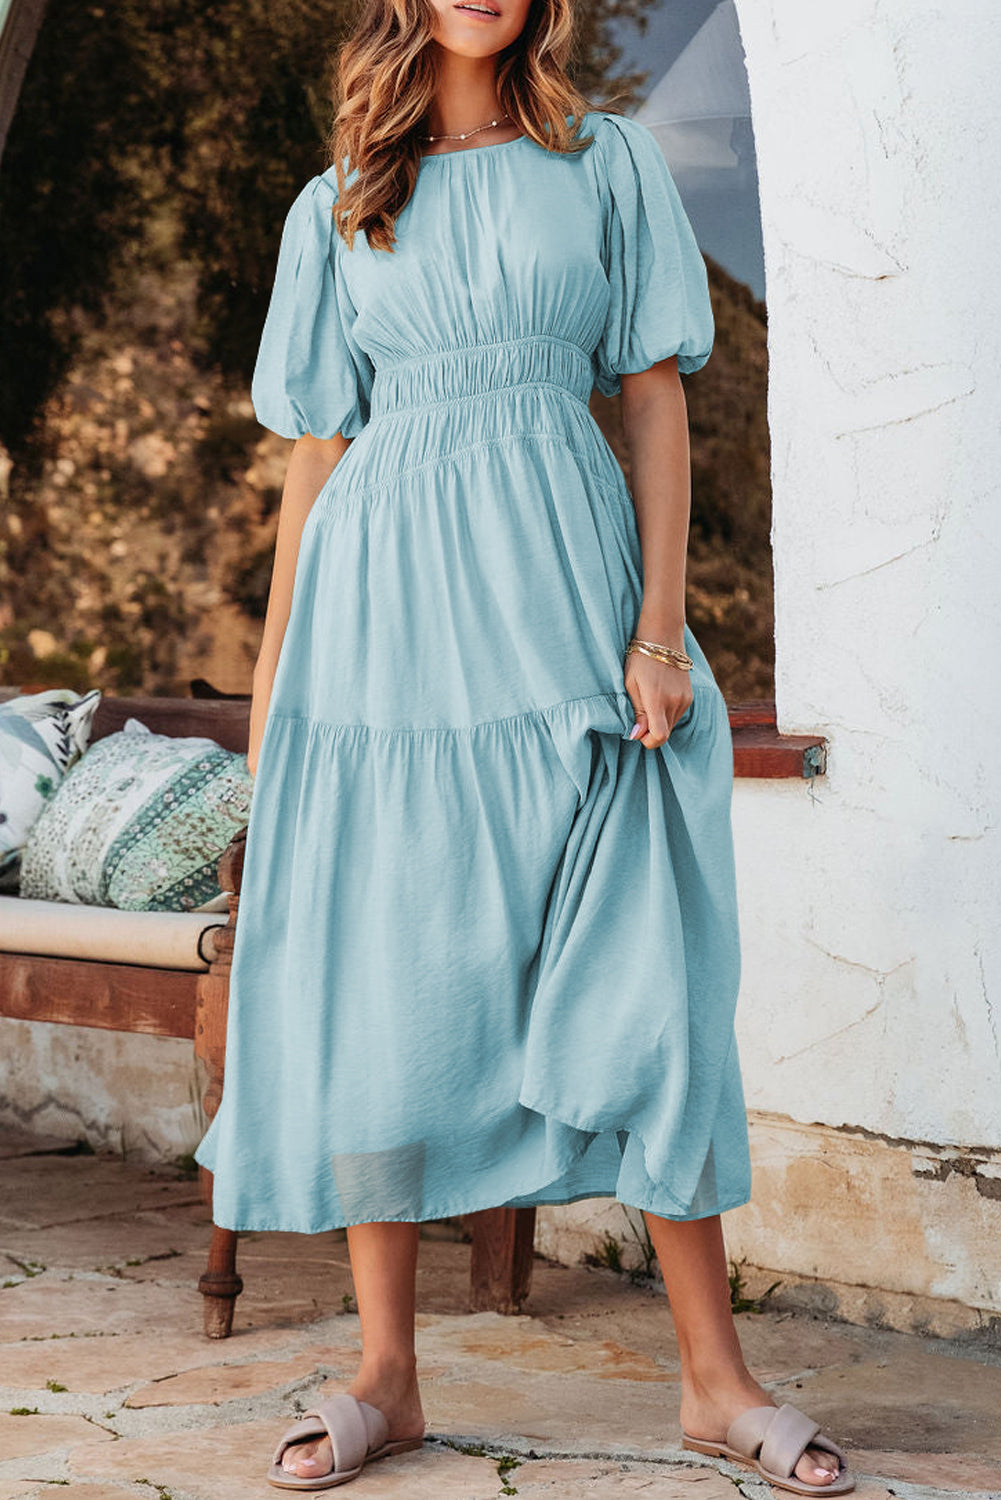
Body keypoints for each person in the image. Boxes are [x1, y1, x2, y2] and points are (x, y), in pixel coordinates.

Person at [193, 0, 855, 1493]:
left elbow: (652, 397)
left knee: (648, 969)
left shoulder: (601, 163)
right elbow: (317, 454)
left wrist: (657, 631)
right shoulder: (340, 197)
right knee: (387, 973)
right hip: (381, 631)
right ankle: (386, 1374)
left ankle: (713, 1381)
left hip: (562, 605)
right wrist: (273, 683)